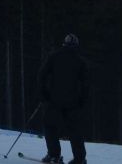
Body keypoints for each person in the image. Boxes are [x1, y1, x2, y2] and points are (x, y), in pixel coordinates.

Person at [38, 33, 89, 164]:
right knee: (75, 130)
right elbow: (85, 84)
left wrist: (44, 94)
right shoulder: (80, 61)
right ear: (76, 46)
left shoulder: (54, 56)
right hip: (73, 102)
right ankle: (80, 159)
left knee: (50, 126)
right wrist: (82, 100)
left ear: (64, 44)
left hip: (54, 100)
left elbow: (42, 75)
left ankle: (54, 155)